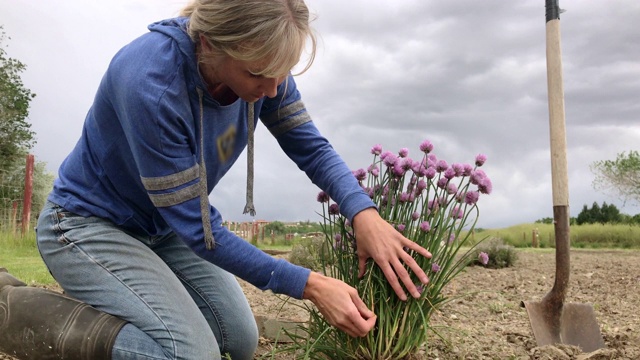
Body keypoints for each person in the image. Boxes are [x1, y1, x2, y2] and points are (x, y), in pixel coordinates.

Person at [0, 0, 431, 359]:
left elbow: (310, 147)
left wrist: (364, 214)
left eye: (282, 73)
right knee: (193, 355)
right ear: (209, 44)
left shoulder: (268, 73)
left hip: (160, 228)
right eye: (258, 74)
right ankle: (21, 313)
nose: (273, 89)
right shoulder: (151, 82)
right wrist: (311, 285)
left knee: (239, 342)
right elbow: (200, 230)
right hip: (85, 225)